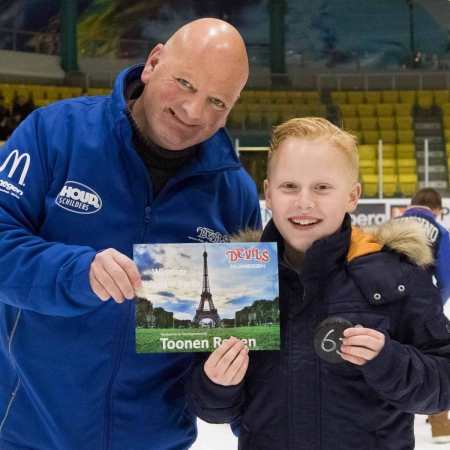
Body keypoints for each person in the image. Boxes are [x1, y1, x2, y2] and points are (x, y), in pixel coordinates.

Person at [0, 18, 261, 450]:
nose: (194, 111)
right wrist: (76, 273)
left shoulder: (234, 194)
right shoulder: (54, 133)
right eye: (185, 83)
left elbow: (240, 343)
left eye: (218, 101)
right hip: (30, 434)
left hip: (158, 442)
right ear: (153, 62)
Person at [186, 117, 450, 449]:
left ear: (352, 196)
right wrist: (217, 385)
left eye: (322, 187)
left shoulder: (397, 276)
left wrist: (390, 362)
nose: (304, 202)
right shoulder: (235, 279)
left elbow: (444, 382)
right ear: (268, 193)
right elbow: (211, 407)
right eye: (290, 186)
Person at [400, 187, 450, 443]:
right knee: (434, 362)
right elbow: (445, 280)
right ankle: (440, 426)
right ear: (437, 211)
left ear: (411, 205)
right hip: (422, 308)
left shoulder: (389, 225)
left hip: (387, 307)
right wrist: (433, 308)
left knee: (394, 363)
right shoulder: (440, 232)